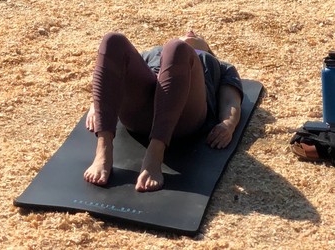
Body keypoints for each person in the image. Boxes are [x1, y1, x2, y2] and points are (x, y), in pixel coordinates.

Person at [84, 31, 244, 192]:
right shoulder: (153, 53)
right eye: (186, 32)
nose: (191, 31)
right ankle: (104, 148)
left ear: (208, 49)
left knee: (177, 48)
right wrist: (97, 107)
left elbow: (231, 100)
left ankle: (155, 153)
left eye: (198, 36)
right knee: (113, 40)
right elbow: (115, 74)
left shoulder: (219, 64)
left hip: (183, 117)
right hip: (140, 111)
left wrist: (228, 124)